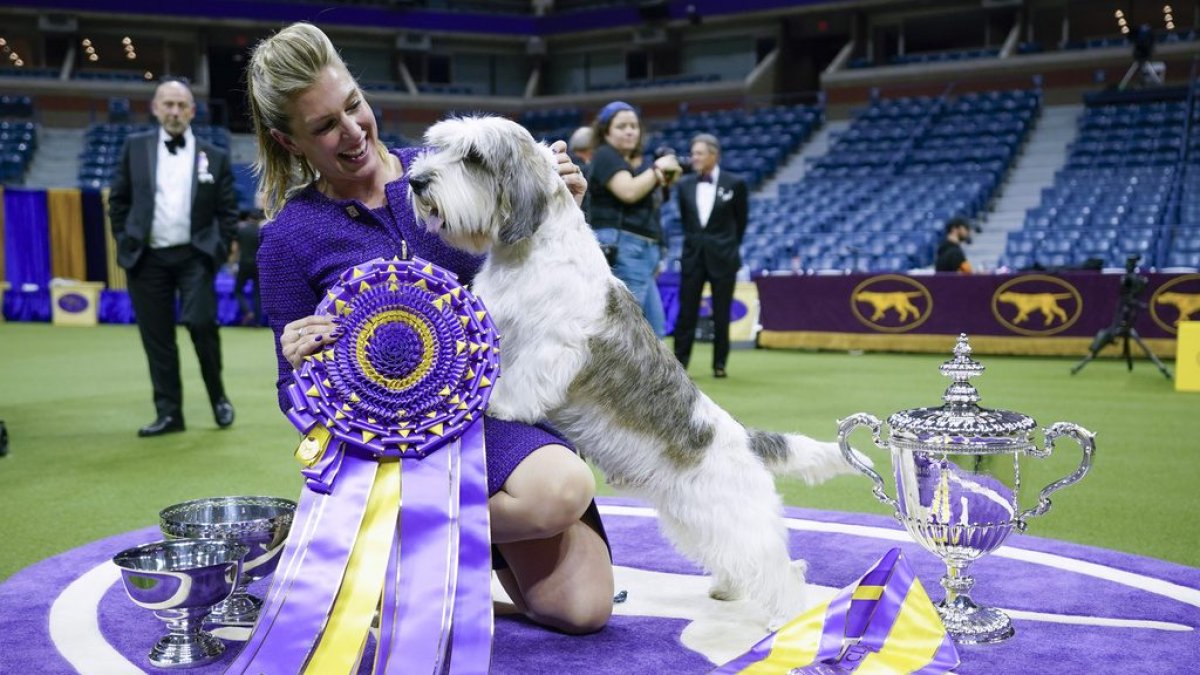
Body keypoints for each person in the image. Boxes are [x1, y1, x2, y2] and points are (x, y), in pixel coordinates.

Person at [246, 22, 612, 634]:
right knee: (560, 490)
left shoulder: (451, 165)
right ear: (289, 141)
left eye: (353, 105)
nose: (353, 131)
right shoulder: (287, 238)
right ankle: (394, 534)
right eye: (325, 127)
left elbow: (546, 273)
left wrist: (559, 207)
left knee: (582, 611)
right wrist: (302, 363)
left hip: (497, 414)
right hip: (393, 448)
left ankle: (388, 545)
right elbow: (292, 392)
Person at [109, 78, 238, 437]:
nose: (175, 111)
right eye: (168, 104)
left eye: (181, 105)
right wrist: (124, 238)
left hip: (194, 256)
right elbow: (118, 202)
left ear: (192, 111)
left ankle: (218, 399)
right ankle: (169, 414)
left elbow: (228, 213)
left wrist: (215, 250)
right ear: (155, 108)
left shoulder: (215, 155)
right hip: (146, 259)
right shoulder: (134, 148)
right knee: (157, 337)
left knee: (201, 325)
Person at [586, 100, 682, 336]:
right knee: (627, 328)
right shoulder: (605, 156)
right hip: (624, 246)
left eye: (634, 126)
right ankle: (613, 374)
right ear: (606, 131)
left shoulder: (635, 164)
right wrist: (657, 170)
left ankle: (652, 374)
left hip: (644, 249)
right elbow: (628, 192)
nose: (630, 131)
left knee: (655, 327)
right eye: (621, 126)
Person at [672, 133, 748, 378]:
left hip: (723, 258)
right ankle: (679, 365)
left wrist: (727, 247)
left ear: (713, 155)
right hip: (693, 257)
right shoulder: (684, 185)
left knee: (722, 313)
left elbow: (741, 223)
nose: (693, 158)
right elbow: (687, 221)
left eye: (699, 153)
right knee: (686, 313)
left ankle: (720, 364)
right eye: (693, 153)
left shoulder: (735, 183)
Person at [232, 209, 263, 326]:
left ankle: (247, 311)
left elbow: (235, 248)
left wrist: (232, 264)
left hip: (244, 263)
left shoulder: (242, 230)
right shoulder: (260, 231)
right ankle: (258, 322)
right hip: (257, 264)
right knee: (257, 294)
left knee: (238, 290)